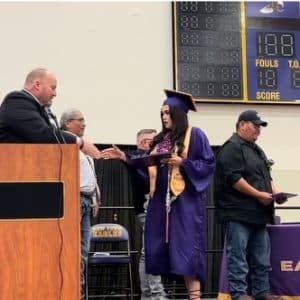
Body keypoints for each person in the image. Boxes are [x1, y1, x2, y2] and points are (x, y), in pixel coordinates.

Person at [142, 90, 215, 300]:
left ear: (178, 114)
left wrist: (184, 163)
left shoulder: (196, 135)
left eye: (168, 113)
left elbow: (208, 164)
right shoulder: (162, 139)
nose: (164, 117)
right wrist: (127, 159)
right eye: (162, 113)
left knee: (187, 251)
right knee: (171, 253)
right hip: (163, 206)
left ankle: (195, 298)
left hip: (185, 204)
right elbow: (148, 167)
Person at [215, 110, 282, 300]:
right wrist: (258, 194)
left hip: (259, 213)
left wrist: (275, 193)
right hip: (238, 213)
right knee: (238, 257)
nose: (259, 130)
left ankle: (262, 292)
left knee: (261, 259)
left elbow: (267, 176)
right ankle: (239, 294)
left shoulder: (257, 149)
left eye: (260, 126)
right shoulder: (231, 148)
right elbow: (234, 179)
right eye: (255, 126)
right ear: (242, 125)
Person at [102, 129, 169, 300]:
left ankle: (149, 294)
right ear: (144, 143)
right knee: (152, 251)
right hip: (149, 207)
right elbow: (140, 168)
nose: (156, 144)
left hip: (150, 207)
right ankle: (156, 293)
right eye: (152, 141)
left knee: (148, 252)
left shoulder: (146, 159)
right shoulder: (141, 159)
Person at [0, 67, 100, 158]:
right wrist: (80, 143)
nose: (55, 94)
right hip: (12, 169)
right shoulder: (17, 100)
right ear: (37, 85)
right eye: (53, 88)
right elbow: (43, 135)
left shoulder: (37, 107)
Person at [60, 108, 100, 300]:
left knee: (83, 254)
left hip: (84, 201)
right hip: (73, 201)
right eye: (80, 120)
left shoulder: (81, 148)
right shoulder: (63, 143)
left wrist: (94, 197)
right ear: (67, 123)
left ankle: (79, 295)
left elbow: (87, 177)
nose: (84, 123)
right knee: (72, 253)